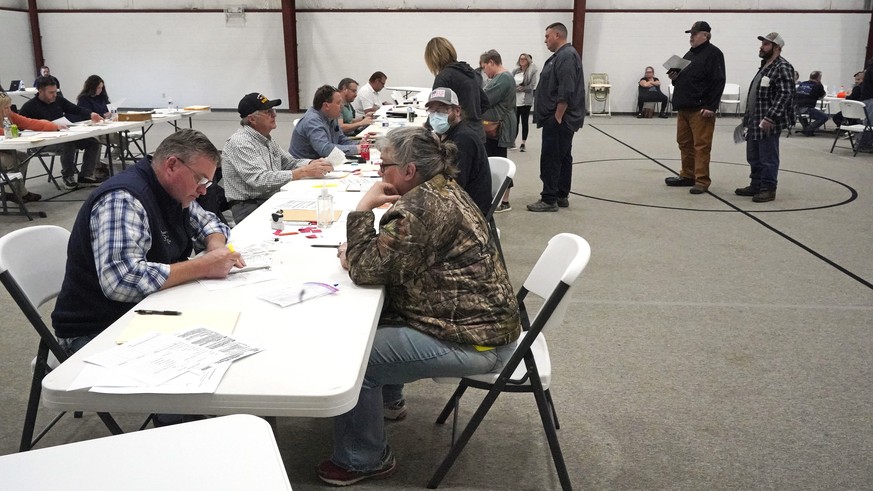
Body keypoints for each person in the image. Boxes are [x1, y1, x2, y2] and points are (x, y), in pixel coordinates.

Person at [316, 126, 520, 486]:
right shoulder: (439, 190)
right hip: (476, 323)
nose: (381, 173)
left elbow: (366, 271)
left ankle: (364, 458)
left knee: (355, 359)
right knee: (378, 315)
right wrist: (366, 256)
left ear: (409, 171)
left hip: (479, 343)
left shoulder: (423, 208)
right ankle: (389, 403)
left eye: (385, 166)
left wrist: (363, 207)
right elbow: (388, 263)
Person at [51, 129, 243, 355]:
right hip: (97, 328)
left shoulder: (173, 190)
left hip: (144, 310)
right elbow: (121, 280)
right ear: (172, 165)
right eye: (200, 179)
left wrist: (216, 248)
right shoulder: (124, 199)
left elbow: (209, 223)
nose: (202, 190)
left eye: (208, 183)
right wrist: (204, 266)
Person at [222, 92, 333, 223]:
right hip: (249, 206)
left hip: (269, 198)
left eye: (273, 110)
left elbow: (289, 163)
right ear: (252, 119)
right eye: (268, 112)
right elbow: (260, 180)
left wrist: (314, 163)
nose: (274, 114)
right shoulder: (240, 142)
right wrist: (303, 171)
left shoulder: (265, 139)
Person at [527, 22, 586, 213]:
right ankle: (561, 194)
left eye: (547, 36)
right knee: (563, 156)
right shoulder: (561, 56)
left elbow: (566, 89)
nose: (545, 40)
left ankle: (549, 198)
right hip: (559, 118)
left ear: (558, 35)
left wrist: (558, 116)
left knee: (552, 158)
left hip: (560, 119)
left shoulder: (566, 56)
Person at [665, 21, 726, 195]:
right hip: (684, 107)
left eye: (694, 33)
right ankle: (687, 175)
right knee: (684, 144)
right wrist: (675, 77)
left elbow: (718, 81)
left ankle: (701, 180)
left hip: (700, 109)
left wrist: (711, 106)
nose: (691, 36)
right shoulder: (690, 54)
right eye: (690, 33)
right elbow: (685, 79)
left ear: (705, 35)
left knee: (701, 146)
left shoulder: (714, 54)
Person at [734, 32, 795, 203]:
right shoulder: (765, 66)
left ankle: (768, 188)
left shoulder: (782, 66)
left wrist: (771, 118)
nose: (761, 47)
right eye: (762, 44)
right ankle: (756, 184)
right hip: (755, 118)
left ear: (777, 48)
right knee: (753, 154)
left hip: (767, 120)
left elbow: (785, 94)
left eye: (766, 44)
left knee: (768, 156)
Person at [19, 76, 103, 189]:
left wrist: (91, 114)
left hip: (62, 136)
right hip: (42, 143)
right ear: (40, 91)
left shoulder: (58, 100)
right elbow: (20, 128)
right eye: (51, 92)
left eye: (56, 91)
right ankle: (68, 176)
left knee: (93, 142)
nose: (54, 95)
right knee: (67, 144)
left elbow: (75, 109)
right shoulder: (29, 107)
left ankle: (86, 176)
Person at [425, 87, 492, 214]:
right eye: (432, 111)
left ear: (457, 111)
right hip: (462, 201)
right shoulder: (448, 134)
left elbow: (454, 185)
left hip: (470, 210)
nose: (435, 116)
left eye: (442, 111)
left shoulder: (462, 140)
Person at [424, 36, 490, 142]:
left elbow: (436, 107)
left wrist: (427, 127)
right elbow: (485, 103)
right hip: (477, 133)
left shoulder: (444, 77)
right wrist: (472, 114)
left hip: (459, 138)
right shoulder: (470, 72)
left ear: (432, 59)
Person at [0, 92, 58, 203]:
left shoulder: (10, 115)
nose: (9, 110)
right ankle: (9, 191)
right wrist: (13, 131)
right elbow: (4, 132)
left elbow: (29, 122)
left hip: (4, 149)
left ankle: (19, 191)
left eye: (9, 107)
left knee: (24, 157)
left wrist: (52, 126)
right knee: (12, 161)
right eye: (6, 108)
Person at [290, 85, 369, 159]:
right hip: (304, 167)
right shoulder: (312, 121)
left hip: (321, 162)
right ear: (326, 106)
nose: (342, 106)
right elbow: (325, 149)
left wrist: (358, 144)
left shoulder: (331, 116)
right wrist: (356, 149)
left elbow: (341, 140)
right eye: (338, 103)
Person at [76, 74, 119, 177]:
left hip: (105, 128)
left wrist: (110, 114)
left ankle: (107, 161)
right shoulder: (84, 99)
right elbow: (85, 116)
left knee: (124, 141)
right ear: (92, 87)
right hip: (92, 130)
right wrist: (102, 115)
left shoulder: (103, 97)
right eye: (98, 87)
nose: (100, 90)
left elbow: (108, 108)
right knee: (96, 142)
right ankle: (96, 167)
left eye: (101, 87)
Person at [512, 53, 538, 152]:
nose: (522, 60)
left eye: (524, 59)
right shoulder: (515, 71)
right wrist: (515, 88)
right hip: (516, 100)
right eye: (520, 59)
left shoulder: (532, 72)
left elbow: (532, 86)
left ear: (528, 60)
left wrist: (523, 88)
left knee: (524, 122)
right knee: (515, 122)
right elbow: (510, 83)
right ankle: (512, 141)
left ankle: (523, 143)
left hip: (526, 100)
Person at [794, 71, 827, 136]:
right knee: (824, 117)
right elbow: (822, 96)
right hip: (806, 109)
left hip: (795, 109)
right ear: (818, 78)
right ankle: (809, 129)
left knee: (801, 115)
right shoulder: (818, 85)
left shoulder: (802, 83)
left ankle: (806, 128)